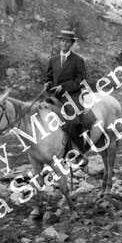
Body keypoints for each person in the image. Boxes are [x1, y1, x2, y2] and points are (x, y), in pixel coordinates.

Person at [44, 30, 88, 166]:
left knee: (74, 122)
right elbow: (49, 77)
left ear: (72, 44)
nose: (64, 43)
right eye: (62, 40)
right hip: (55, 96)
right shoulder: (53, 59)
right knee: (41, 118)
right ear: (59, 41)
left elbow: (81, 80)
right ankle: (48, 152)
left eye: (68, 41)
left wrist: (63, 87)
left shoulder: (78, 60)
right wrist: (47, 83)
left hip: (72, 96)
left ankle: (81, 152)